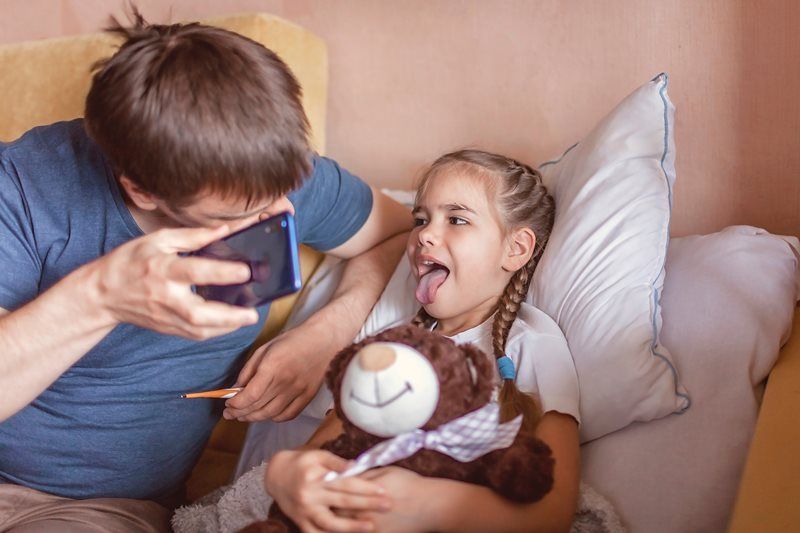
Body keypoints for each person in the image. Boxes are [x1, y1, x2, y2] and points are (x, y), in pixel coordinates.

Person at [0, 10, 410, 532]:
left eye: (282, 197)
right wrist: (98, 296)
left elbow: (402, 234)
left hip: (88, 510)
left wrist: (325, 338)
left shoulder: (271, 172)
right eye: (237, 217)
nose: (279, 217)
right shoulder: (22, 184)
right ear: (140, 189)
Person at [262, 149, 581, 532]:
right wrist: (290, 474)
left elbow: (554, 513)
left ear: (516, 249)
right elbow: (323, 449)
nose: (425, 234)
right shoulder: (391, 348)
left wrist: (428, 506)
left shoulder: (533, 344)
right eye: (420, 219)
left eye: (457, 219)